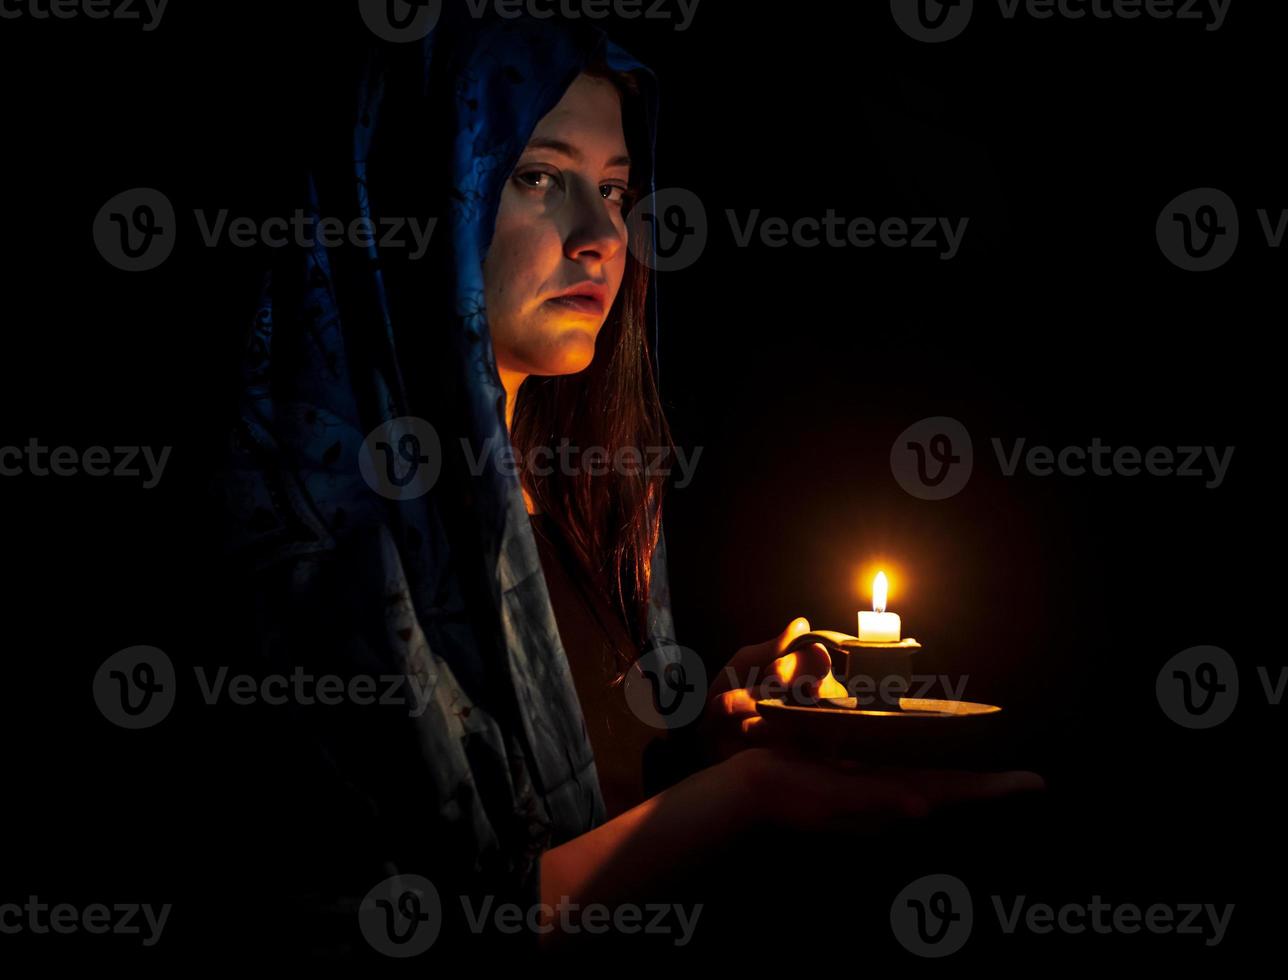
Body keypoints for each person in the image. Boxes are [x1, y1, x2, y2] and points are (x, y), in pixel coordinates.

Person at [215, 9, 1042, 957]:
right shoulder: (320, 543)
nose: (599, 235)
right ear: (417, 201)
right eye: (537, 178)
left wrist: (719, 742)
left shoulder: (588, 505)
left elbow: (589, 815)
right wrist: (743, 801)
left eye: (615, 190)